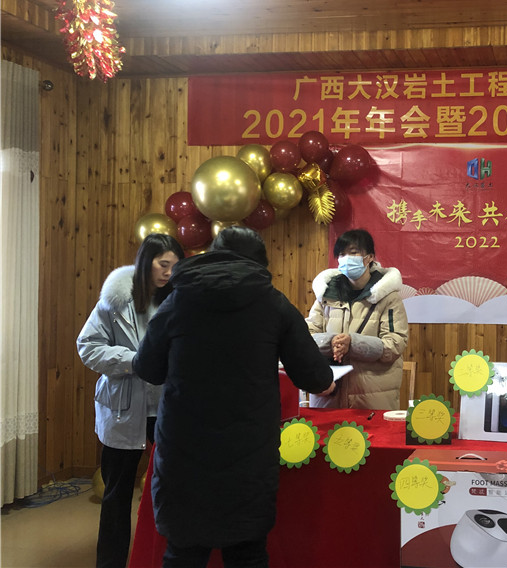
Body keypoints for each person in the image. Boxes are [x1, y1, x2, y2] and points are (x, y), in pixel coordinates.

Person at [133, 226, 335, 567]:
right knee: (247, 554)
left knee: (182, 553)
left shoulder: (178, 300)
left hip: (184, 449)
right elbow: (316, 378)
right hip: (249, 454)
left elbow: (147, 368)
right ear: (259, 263)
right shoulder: (273, 304)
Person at [76, 233, 184, 568]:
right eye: (162, 264)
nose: (168, 273)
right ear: (145, 262)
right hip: (124, 408)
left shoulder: (179, 301)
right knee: (117, 493)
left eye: (174, 266)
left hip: (167, 407)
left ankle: (162, 557)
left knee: (172, 489)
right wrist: (133, 361)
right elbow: (88, 347)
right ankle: (111, 561)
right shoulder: (114, 301)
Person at [306, 228, 409, 410]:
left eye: (353, 253)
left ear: (369, 258)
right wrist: (331, 342)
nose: (346, 258)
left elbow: (395, 343)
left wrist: (353, 344)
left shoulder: (388, 297)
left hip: (372, 399)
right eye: (342, 254)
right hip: (328, 396)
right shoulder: (325, 294)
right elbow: (306, 336)